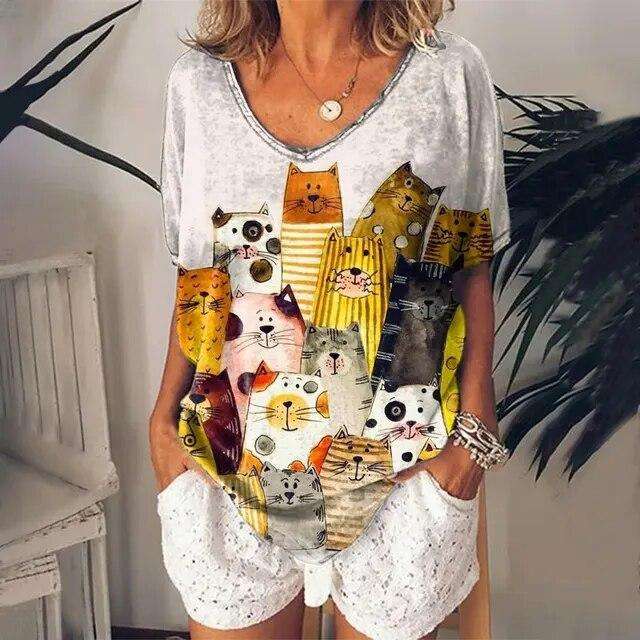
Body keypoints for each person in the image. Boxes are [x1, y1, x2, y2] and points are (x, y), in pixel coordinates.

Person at [150, 1, 511, 638]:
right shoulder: (196, 86)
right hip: (224, 459)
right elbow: (197, 272)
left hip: (405, 464)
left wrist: (474, 433)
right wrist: (162, 416)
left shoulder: (448, 74)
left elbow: (470, 259)